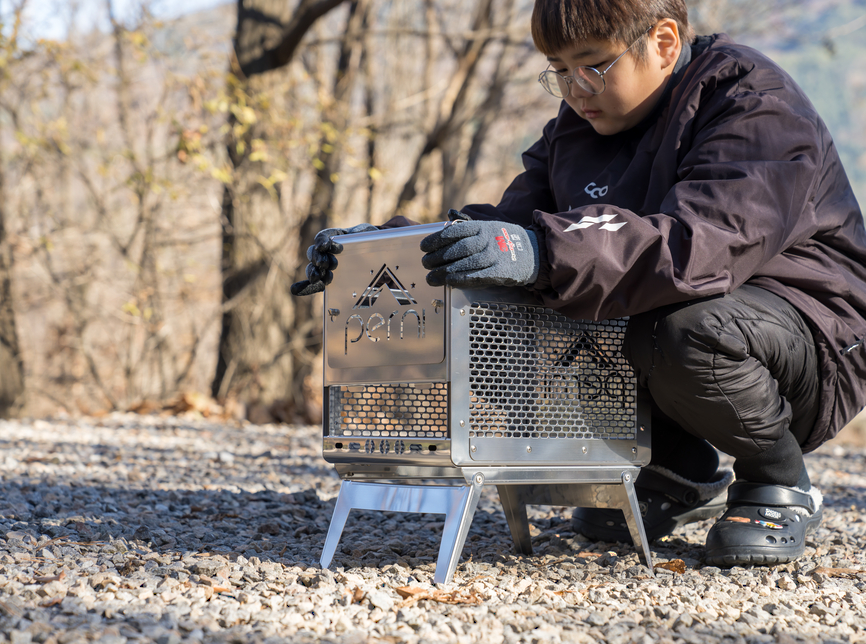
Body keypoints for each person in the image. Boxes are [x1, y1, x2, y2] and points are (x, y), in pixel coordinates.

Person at [292, 0, 866, 567]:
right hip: (670, 320)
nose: (574, 88)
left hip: (811, 338)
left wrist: (541, 252)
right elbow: (508, 229)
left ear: (664, 43)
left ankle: (778, 481)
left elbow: (704, 244)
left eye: (592, 64)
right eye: (558, 69)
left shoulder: (755, 105)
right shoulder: (578, 128)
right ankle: (673, 469)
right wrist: (379, 250)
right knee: (495, 303)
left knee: (682, 328)